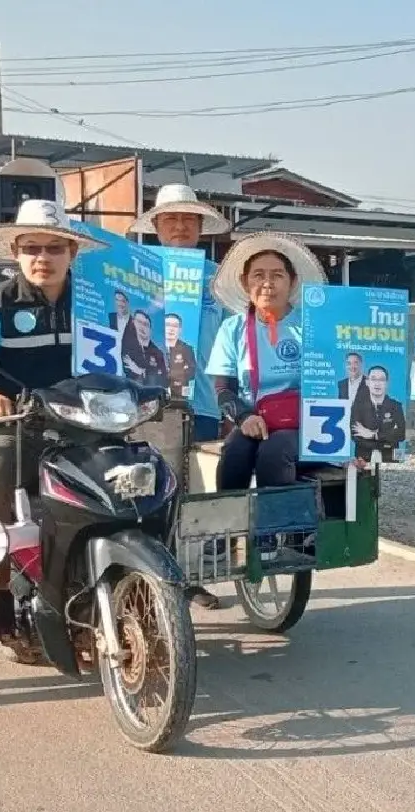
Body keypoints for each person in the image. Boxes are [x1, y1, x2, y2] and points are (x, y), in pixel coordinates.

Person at [0, 199, 106, 663]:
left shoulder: (99, 302)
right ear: (16, 253)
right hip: (20, 422)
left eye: (55, 248)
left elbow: (134, 354)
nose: (44, 257)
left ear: (72, 253)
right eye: (32, 247)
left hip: (89, 425)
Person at [130, 183, 232, 610]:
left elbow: (233, 340)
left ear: (200, 226)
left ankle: (191, 578)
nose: (179, 226)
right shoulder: (136, 271)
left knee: (196, 493)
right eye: (170, 218)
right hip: (145, 404)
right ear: (155, 225)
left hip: (204, 402)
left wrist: (233, 401)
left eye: (187, 219)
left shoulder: (221, 280)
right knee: (149, 491)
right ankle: (149, 579)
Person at [207, 232, 325, 491]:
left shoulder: (314, 326)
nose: (268, 283)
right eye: (258, 275)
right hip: (253, 421)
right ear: (244, 282)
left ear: (292, 282)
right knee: (233, 455)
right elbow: (222, 390)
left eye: (278, 275)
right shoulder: (232, 328)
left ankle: (279, 531)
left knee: (274, 453)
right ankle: (230, 527)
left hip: (306, 425)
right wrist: (244, 417)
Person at [350, 365, 407, 463]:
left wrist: (374, 435)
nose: (377, 383)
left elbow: (401, 434)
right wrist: (387, 441)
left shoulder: (396, 406)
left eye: (381, 380)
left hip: (392, 458)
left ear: (386, 383)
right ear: (367, 382)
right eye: (373, 379)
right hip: (363, 459)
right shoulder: (357, 407)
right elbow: (355, 436)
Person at [121, 309, 169, 388]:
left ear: (150, 330)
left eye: (146, 324)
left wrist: (141, 371)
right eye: (139, 322)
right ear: (133, 323)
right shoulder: (127, 346)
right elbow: (127, 369)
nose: (142, 327)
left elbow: (163, 380)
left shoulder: (158, 353)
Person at [165, 313, 197, 399]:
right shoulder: (154, 347)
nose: (171, 329)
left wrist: (170, 373)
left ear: (180, 330)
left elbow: (192, 372)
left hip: (180, 394)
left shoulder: (187, 349)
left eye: (175, 326)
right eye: (168, 325)